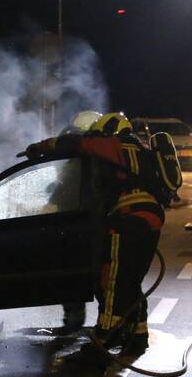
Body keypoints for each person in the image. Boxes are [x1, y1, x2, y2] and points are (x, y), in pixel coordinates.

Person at [25, 112, 170, 356]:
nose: (96, 138)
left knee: (111, 282)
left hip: (127, 221)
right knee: (130, 281)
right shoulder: (141, 152)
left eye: (98, 134)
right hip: (151, 221)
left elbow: (74, 143)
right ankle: (137, 335)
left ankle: (103, 340)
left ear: (108, 132)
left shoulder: (113, 145)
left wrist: (40, 147)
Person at [54, 110, 104, 335]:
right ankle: (105, 325)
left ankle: (106, 326)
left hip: (92, 223)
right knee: (78, 274)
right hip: (82, 222)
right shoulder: (92, 152)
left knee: (104, 279)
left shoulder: (92, 153)